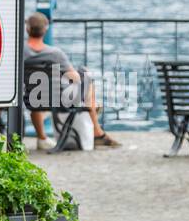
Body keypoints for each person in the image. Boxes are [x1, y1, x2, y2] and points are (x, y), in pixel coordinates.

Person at [23, 11, 120, 149]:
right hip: (60, 101)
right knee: (86, 75)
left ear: (27, 29)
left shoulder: (20, 51)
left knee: (38, 91)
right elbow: (74, 78)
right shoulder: (54, 53)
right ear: (45, 29)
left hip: (31, 100)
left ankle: (42, 138)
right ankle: (97, 130)